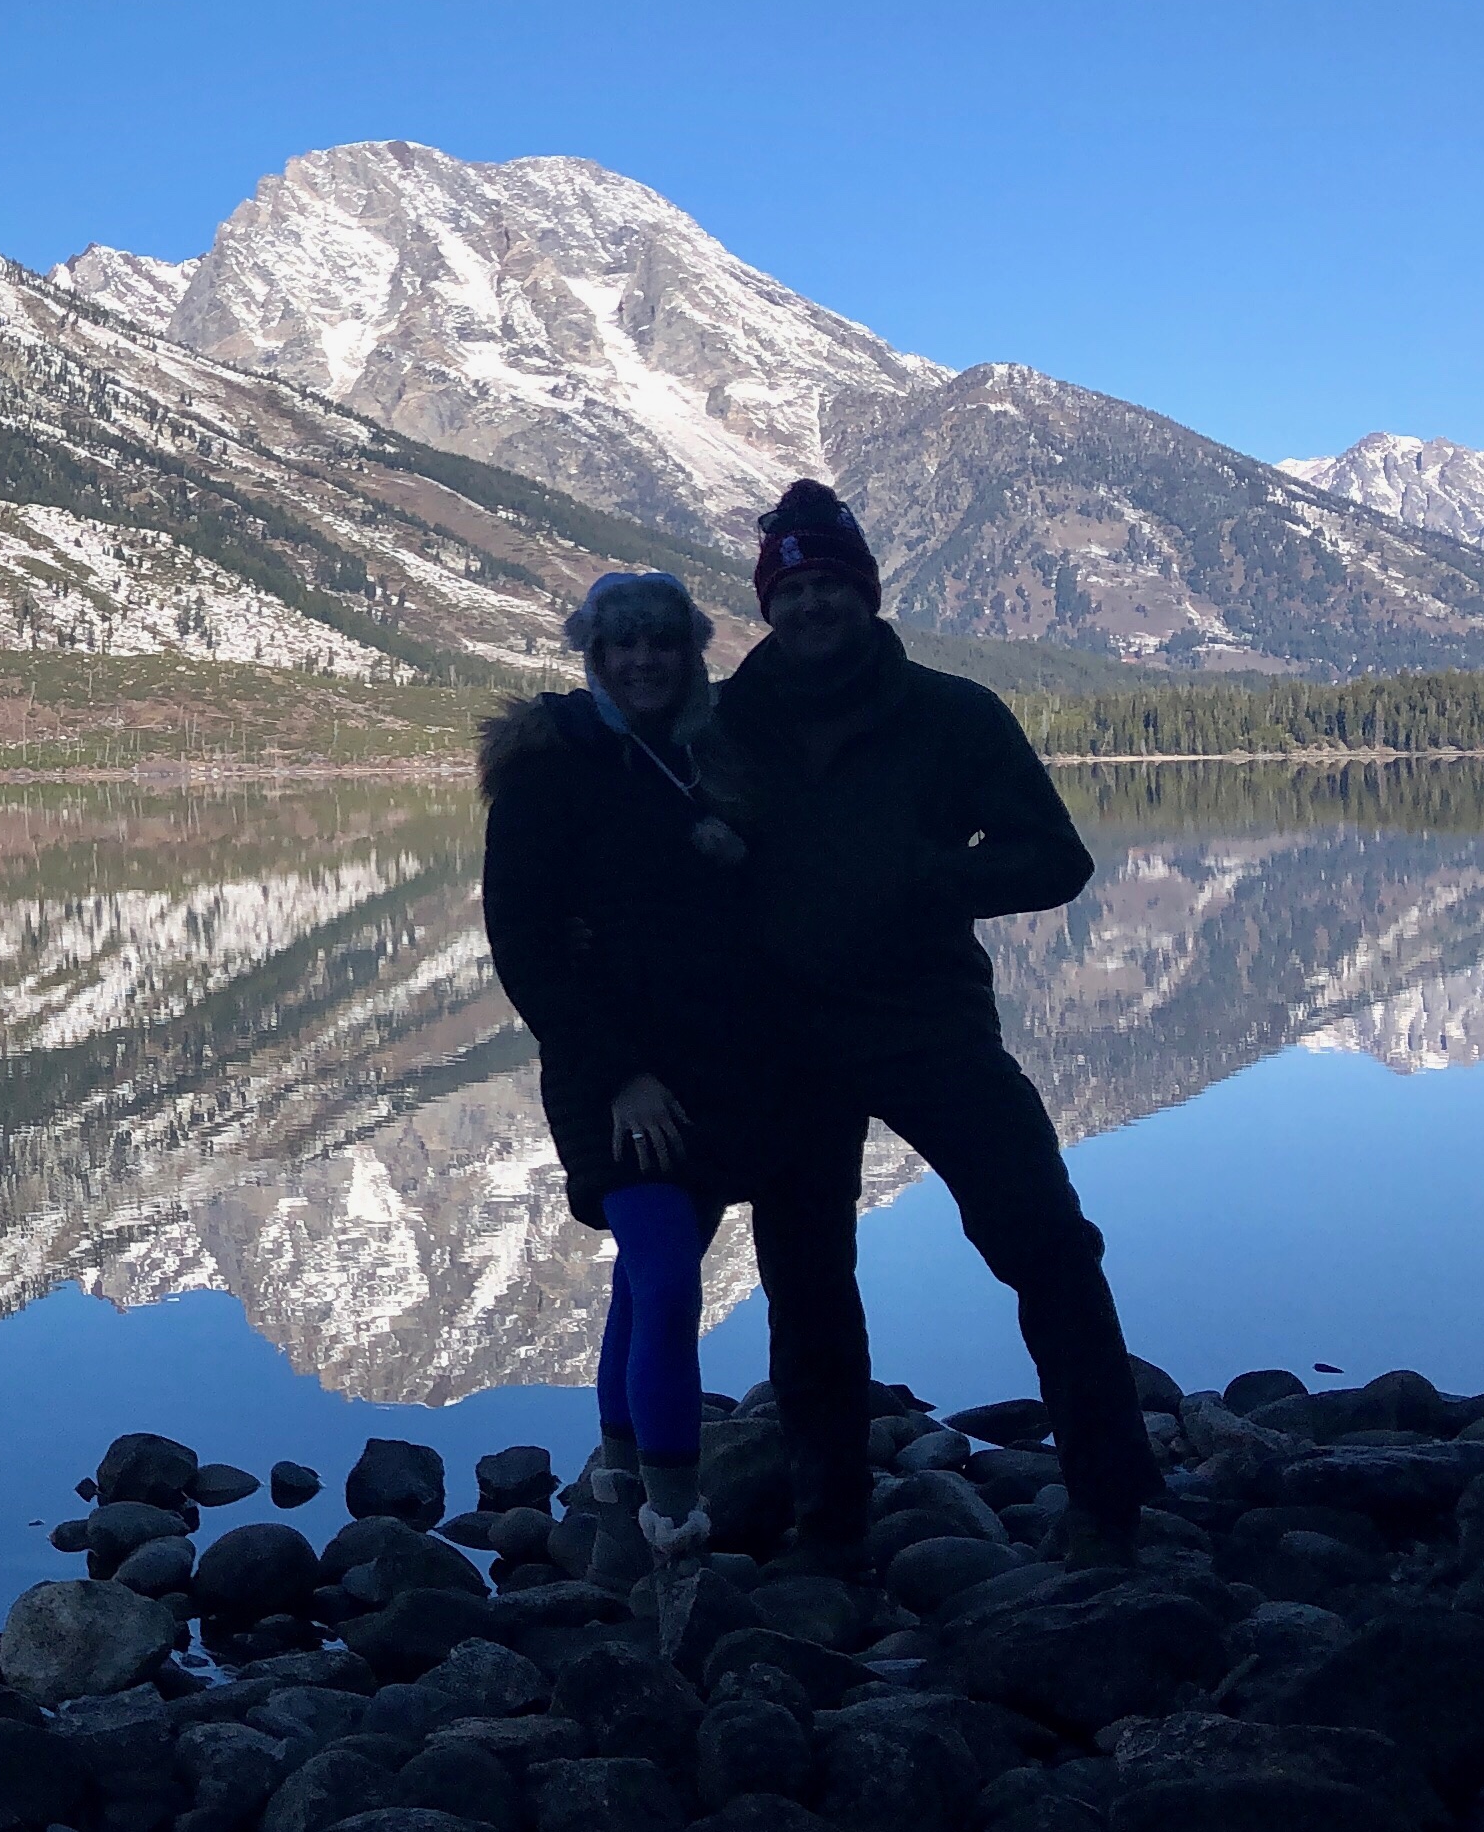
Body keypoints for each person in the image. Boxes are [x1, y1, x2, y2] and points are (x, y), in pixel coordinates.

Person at [708, 479, 1159, 1568]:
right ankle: (831, 1528)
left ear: (867, 593)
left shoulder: (953, 715)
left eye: (832, 585)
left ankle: (1112, 1496)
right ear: (770, 603)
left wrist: (927, 879)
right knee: (807, 1280)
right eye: (794, 587)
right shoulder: (722, 722)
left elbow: (1056, 860)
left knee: (1045, 1241)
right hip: (788, 1042)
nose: (814, 605)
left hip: (931, 1025)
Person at [479, 566, 780, 1592]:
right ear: (594, 655)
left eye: (665, 642)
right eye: (625, 644)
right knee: (663, 1275)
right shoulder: (550, 765)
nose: (646, 660)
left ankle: (615, 1487)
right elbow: (522, 943)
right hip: (611, 1077)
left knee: (647, 1279)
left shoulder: (717, 755)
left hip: (714, 1064)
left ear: (690, 651)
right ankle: (674, 1522)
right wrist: (618, 1077)